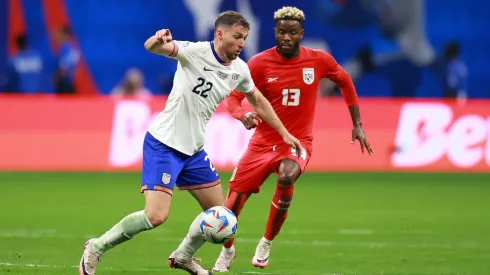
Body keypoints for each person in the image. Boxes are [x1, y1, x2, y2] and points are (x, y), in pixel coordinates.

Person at [78, 10, 303, 275]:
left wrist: (284, 133)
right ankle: (96, 247)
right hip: (165, 144)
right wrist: (157, 38)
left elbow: (257, 101)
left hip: (194, 150)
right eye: (237, 37)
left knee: (221, 215)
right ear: (220, 34)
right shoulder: (193, 52)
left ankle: (183, 256)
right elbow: (151, 47)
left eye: (245, 38)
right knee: (156, 217)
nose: (242, 43)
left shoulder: (240, 69)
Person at [212, 6, 374, 272]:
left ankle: (266, 242)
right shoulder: (258, 64)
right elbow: (233, 98)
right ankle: (227, 251)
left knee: (287, 175)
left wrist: (356, 123)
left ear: (301, 34)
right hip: (262, 143)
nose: (286, 37)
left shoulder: (318, 60)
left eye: (292, 33)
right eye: (281, 32)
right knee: (231, 207)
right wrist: (241, 115)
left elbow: (345, 80)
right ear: (275, 32)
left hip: (296, 142)